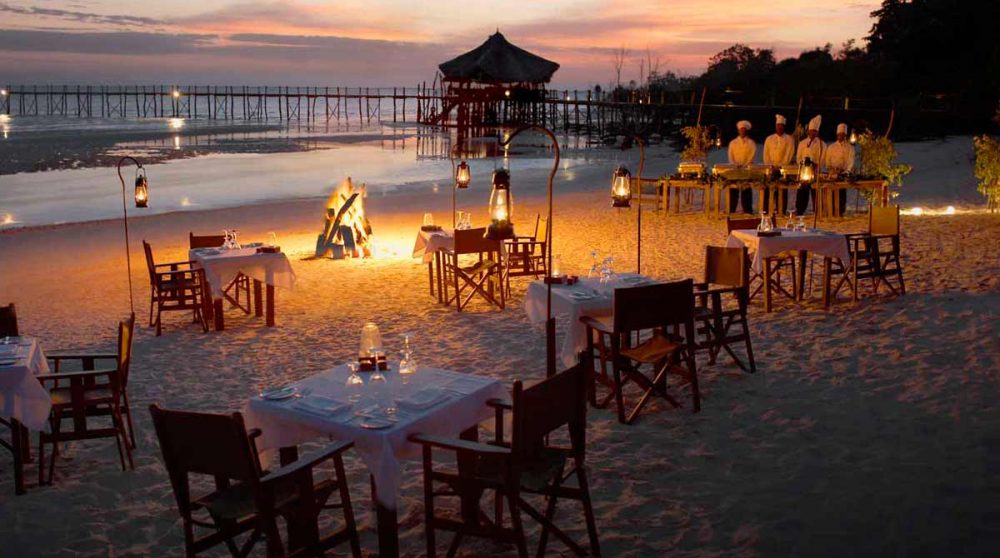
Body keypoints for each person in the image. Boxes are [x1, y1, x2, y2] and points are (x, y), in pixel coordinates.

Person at [762, 114, 795, 214]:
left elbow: (789, 154)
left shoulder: (789, 139)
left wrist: (781, 166)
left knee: (782, 189)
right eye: (778, 125)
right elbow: (766, 154)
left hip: (783, 169)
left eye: (781, 125)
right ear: (776, 126)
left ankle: (781, 209)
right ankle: (766, 210)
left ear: (784, 127)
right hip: (771, 168)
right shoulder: (769, 139)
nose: (780, 127)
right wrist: (770, 166)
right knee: (768, 188)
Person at [795, 115, 825, 216]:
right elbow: (798, 156)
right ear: (808, 131)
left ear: (817, 132)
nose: (812, 133)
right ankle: (800, 210)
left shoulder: (822, 144)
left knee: (815, 191)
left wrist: (814, 164)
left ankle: (817, 210)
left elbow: (822, 158)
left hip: (815, 171)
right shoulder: (802, 143)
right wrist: (802, 163)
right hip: (803, 171)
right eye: (811, 131)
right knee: (802, 190)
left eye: (814, 131)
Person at [824, 123, 856, 217]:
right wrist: (832, 169)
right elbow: (827, 161)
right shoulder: (831, 147)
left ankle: (841, 211)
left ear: (845, 135)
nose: (840, 136)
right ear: (837, 135)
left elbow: (850, 161)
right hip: (832, 173)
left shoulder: (850, 148)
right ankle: (832, 210)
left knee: (842, 192)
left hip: (844, 174)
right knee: (832, 192)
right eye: (839, 135)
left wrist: (845, 171)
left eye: (842, 135)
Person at [727, 120, 756, 214]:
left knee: (746, 190)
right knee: (733, 190)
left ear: (746, 131)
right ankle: (732, 210)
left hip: (746, 170)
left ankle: (747, 210)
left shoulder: (751, 143)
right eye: (741, 130)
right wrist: (735, 165)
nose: (742, 131)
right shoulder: (733, 143)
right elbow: (730, 156)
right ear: (738, 131)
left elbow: (752, 155)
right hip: (735, 170)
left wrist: (745, 165)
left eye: (744, 130)